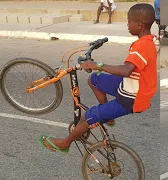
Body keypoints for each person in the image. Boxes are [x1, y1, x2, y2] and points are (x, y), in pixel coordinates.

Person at [39, 3, 157, 153]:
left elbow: (126, 70)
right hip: (133, 86)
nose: (127, 24)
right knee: (94, 79)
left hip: (132, 98)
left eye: (129, 21)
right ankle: (107, 117)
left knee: (86, 117)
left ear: (139, 25)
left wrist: (98, 65)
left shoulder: (141, 46)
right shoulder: (148, 42)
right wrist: (96, 67)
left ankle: (65, 143)